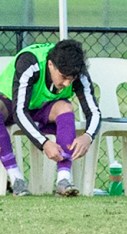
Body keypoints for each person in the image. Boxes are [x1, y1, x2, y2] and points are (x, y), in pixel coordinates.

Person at [0, 39, 101, 197]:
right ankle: (16, 179)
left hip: (42, 108)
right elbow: (20, 110)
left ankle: (64, 180)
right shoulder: (29, 62)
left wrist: (88, 136)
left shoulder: (78, 72)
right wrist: (44, 143)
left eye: (72, 79)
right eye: (63, 77)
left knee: (65, 107)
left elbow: (94, 111)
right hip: (11, 103)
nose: (67, 83)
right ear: (50, 65)